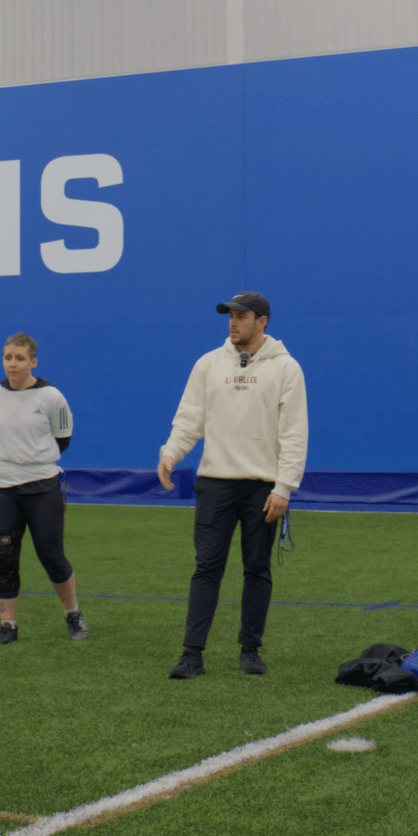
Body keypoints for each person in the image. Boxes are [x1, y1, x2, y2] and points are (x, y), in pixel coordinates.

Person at [157, 291, 307, 679]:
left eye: (242, 315)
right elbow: (190, 417)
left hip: (263, 488)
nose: (233, 322)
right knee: (206, 567)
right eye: (230, 315)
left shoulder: (286, 368)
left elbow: (294, 433)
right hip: (215, 484)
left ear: (263, 321)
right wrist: (171, 453)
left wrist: (284, 487)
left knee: (257, 568)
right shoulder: (208, 364)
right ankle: (192, 655)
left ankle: (251, 651)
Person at [0, 332, 86, 645]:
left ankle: (73, 614)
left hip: (42, 486)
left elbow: (62, 439)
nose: (12, 364)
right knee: (3, 555)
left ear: (33, 362)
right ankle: (8, 626)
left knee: (51, 555)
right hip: (2, 488)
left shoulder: (52, 397)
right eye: (7, 357)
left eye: (19, 358)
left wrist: (34, 462)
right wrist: (11, 464)